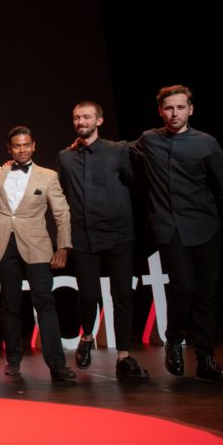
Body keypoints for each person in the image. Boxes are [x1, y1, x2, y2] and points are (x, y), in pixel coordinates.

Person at [131, 85, 223, 380]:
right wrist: (85, 145)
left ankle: (206, 359)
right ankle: (174, 339)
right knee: (184, 286)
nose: (174, 113)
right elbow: (121, 151)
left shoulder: (206, 143)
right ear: (160, 111)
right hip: (169, 227)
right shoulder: (149, 139)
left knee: (206, 295)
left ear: (191, 109)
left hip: (204, 225)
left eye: (180, 107)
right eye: (169, 108)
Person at [57, 101, 148, 379]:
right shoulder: (66, 157)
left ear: (99, 120)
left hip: (118, 234)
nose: (81, 121)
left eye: (86, 116)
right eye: (76, 117)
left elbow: (135, 181)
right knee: (89, 296)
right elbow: (60, 192)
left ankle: (123, 355)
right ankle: (87, 336)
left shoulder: (118, 151)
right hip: (84, 236)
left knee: (122, 294)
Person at [0, 126, 76, 382]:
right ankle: (13, 359)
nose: (22, 149)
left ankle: (57, 365)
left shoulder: (48, 176)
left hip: (37, 246)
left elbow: (62, 213)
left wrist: (64, 246)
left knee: (45, 303)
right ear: (9, 149)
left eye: (26, 145)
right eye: (17, 146)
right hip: (5, 244)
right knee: (10, 305)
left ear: (34, 146)